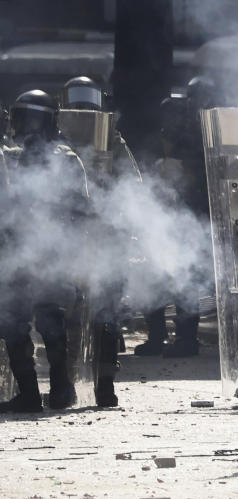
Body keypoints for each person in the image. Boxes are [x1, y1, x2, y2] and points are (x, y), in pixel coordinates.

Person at [0, 89, 89, 413]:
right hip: (17, 250)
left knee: (51, 320)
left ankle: (61, 389)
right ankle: (29, 393)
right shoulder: (8, 156)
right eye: (24, 117)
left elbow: (81, 206)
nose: (28, 126)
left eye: (35, 118)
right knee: (13, 323)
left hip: (52, 249)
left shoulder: (65, 158)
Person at [58, 75, 142, 407]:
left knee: (103, 315)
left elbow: (133, 187)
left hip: (105, 238)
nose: (82, 110)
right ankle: (67, 384)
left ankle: (104, 383)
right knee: (73, 316)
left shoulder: (112, 142)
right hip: (72, 239)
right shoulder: (59, 142)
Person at [136, 76, 220, 358]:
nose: (202, 104)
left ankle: (186, 339)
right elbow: (164, 152)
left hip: (200, 210)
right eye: (198, 98)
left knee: (189, 275)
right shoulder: (179, 118)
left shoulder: (216, 126)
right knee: (156, 273)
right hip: (173, 206)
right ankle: (158, 334)